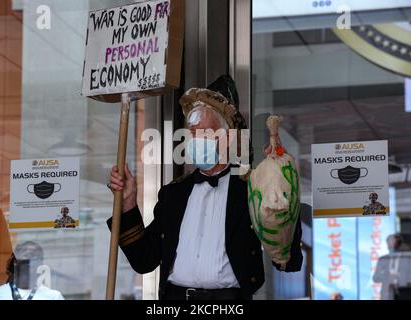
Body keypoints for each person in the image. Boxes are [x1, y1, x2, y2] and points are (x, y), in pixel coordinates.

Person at [107, 75, 302, 300]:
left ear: (227, 138)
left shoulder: (249, 189)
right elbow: (144, 260)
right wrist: (129, 204)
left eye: (204, 133)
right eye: (192, 134)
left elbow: (287, 261)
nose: (194, 140)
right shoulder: (174, 194)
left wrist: (282, 183)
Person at [0, 241, 64, 300]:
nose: (29, 259)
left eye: (34, 256)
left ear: (40, 264)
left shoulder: (53, 296)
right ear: (15, 262)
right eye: (26, 254)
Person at [373, 234, 403, 300]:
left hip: (403, 292)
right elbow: (375, 278)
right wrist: (386, 274)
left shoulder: (405, 259)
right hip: (386, 294)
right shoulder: (383, 259)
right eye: (388, 243)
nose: (390, 245)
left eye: (393, 242)